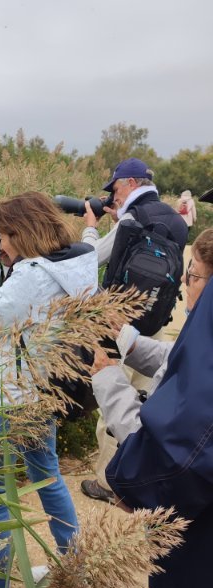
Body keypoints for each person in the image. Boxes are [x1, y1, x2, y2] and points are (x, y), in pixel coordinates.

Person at [0, 191, 98, 588]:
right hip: (42, 393)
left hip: (4, 401)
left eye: (3, 237)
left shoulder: (32, 276)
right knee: (48, 479)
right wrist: (8, 264)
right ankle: (74, 567)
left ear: (20, 232)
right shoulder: (75, 263)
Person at [90, 228, 213, 588]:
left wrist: (134, 487)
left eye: (194, 277)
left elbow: (179, 442)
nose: (184, 286)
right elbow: (176, 362)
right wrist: (124, 338)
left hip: (200, 582)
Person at [81, 157, 188, 503]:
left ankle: (109, 482)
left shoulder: (131, 218)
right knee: (149, 400)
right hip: (155, 328)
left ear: (128, 184)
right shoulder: (174, 217)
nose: (111, 195)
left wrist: (92, 225)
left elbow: (90, 258)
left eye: (113, 188)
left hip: (119, 327)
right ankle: (144, 475)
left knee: (113, 400)